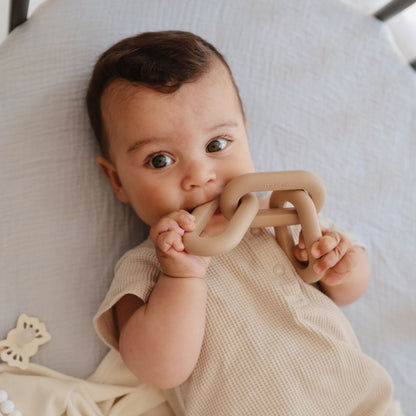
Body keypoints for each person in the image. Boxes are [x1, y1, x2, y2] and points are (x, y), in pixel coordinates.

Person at [87, 31, 400, 415]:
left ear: (245, 134)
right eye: (160, 160)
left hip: (360, 403)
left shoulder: (282, 215)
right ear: (117, 179)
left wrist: (340, 265)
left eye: (217, 145)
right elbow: (159, 370)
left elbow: (348, 291)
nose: (200, 175)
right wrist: (181, 279)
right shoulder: (148, 266)